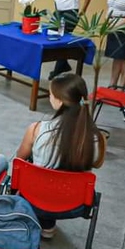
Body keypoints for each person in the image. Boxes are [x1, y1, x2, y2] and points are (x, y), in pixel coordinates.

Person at [15, 73, 106, 238]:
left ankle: (40, 222)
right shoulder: (94, 138)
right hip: (74, 202)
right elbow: (97, 163)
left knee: (33, 166)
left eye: (50, 94)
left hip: (34, 196)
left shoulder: (37, 129)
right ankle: (47, 225)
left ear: (59, 101)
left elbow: (19, 159)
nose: (50, 97)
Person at [50, 0, 94, 79]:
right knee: (52, 34)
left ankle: (59, 67)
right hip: (59, 11)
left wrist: (83, 10)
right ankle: (63, 64)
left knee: (62, 37)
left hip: (70, 12)